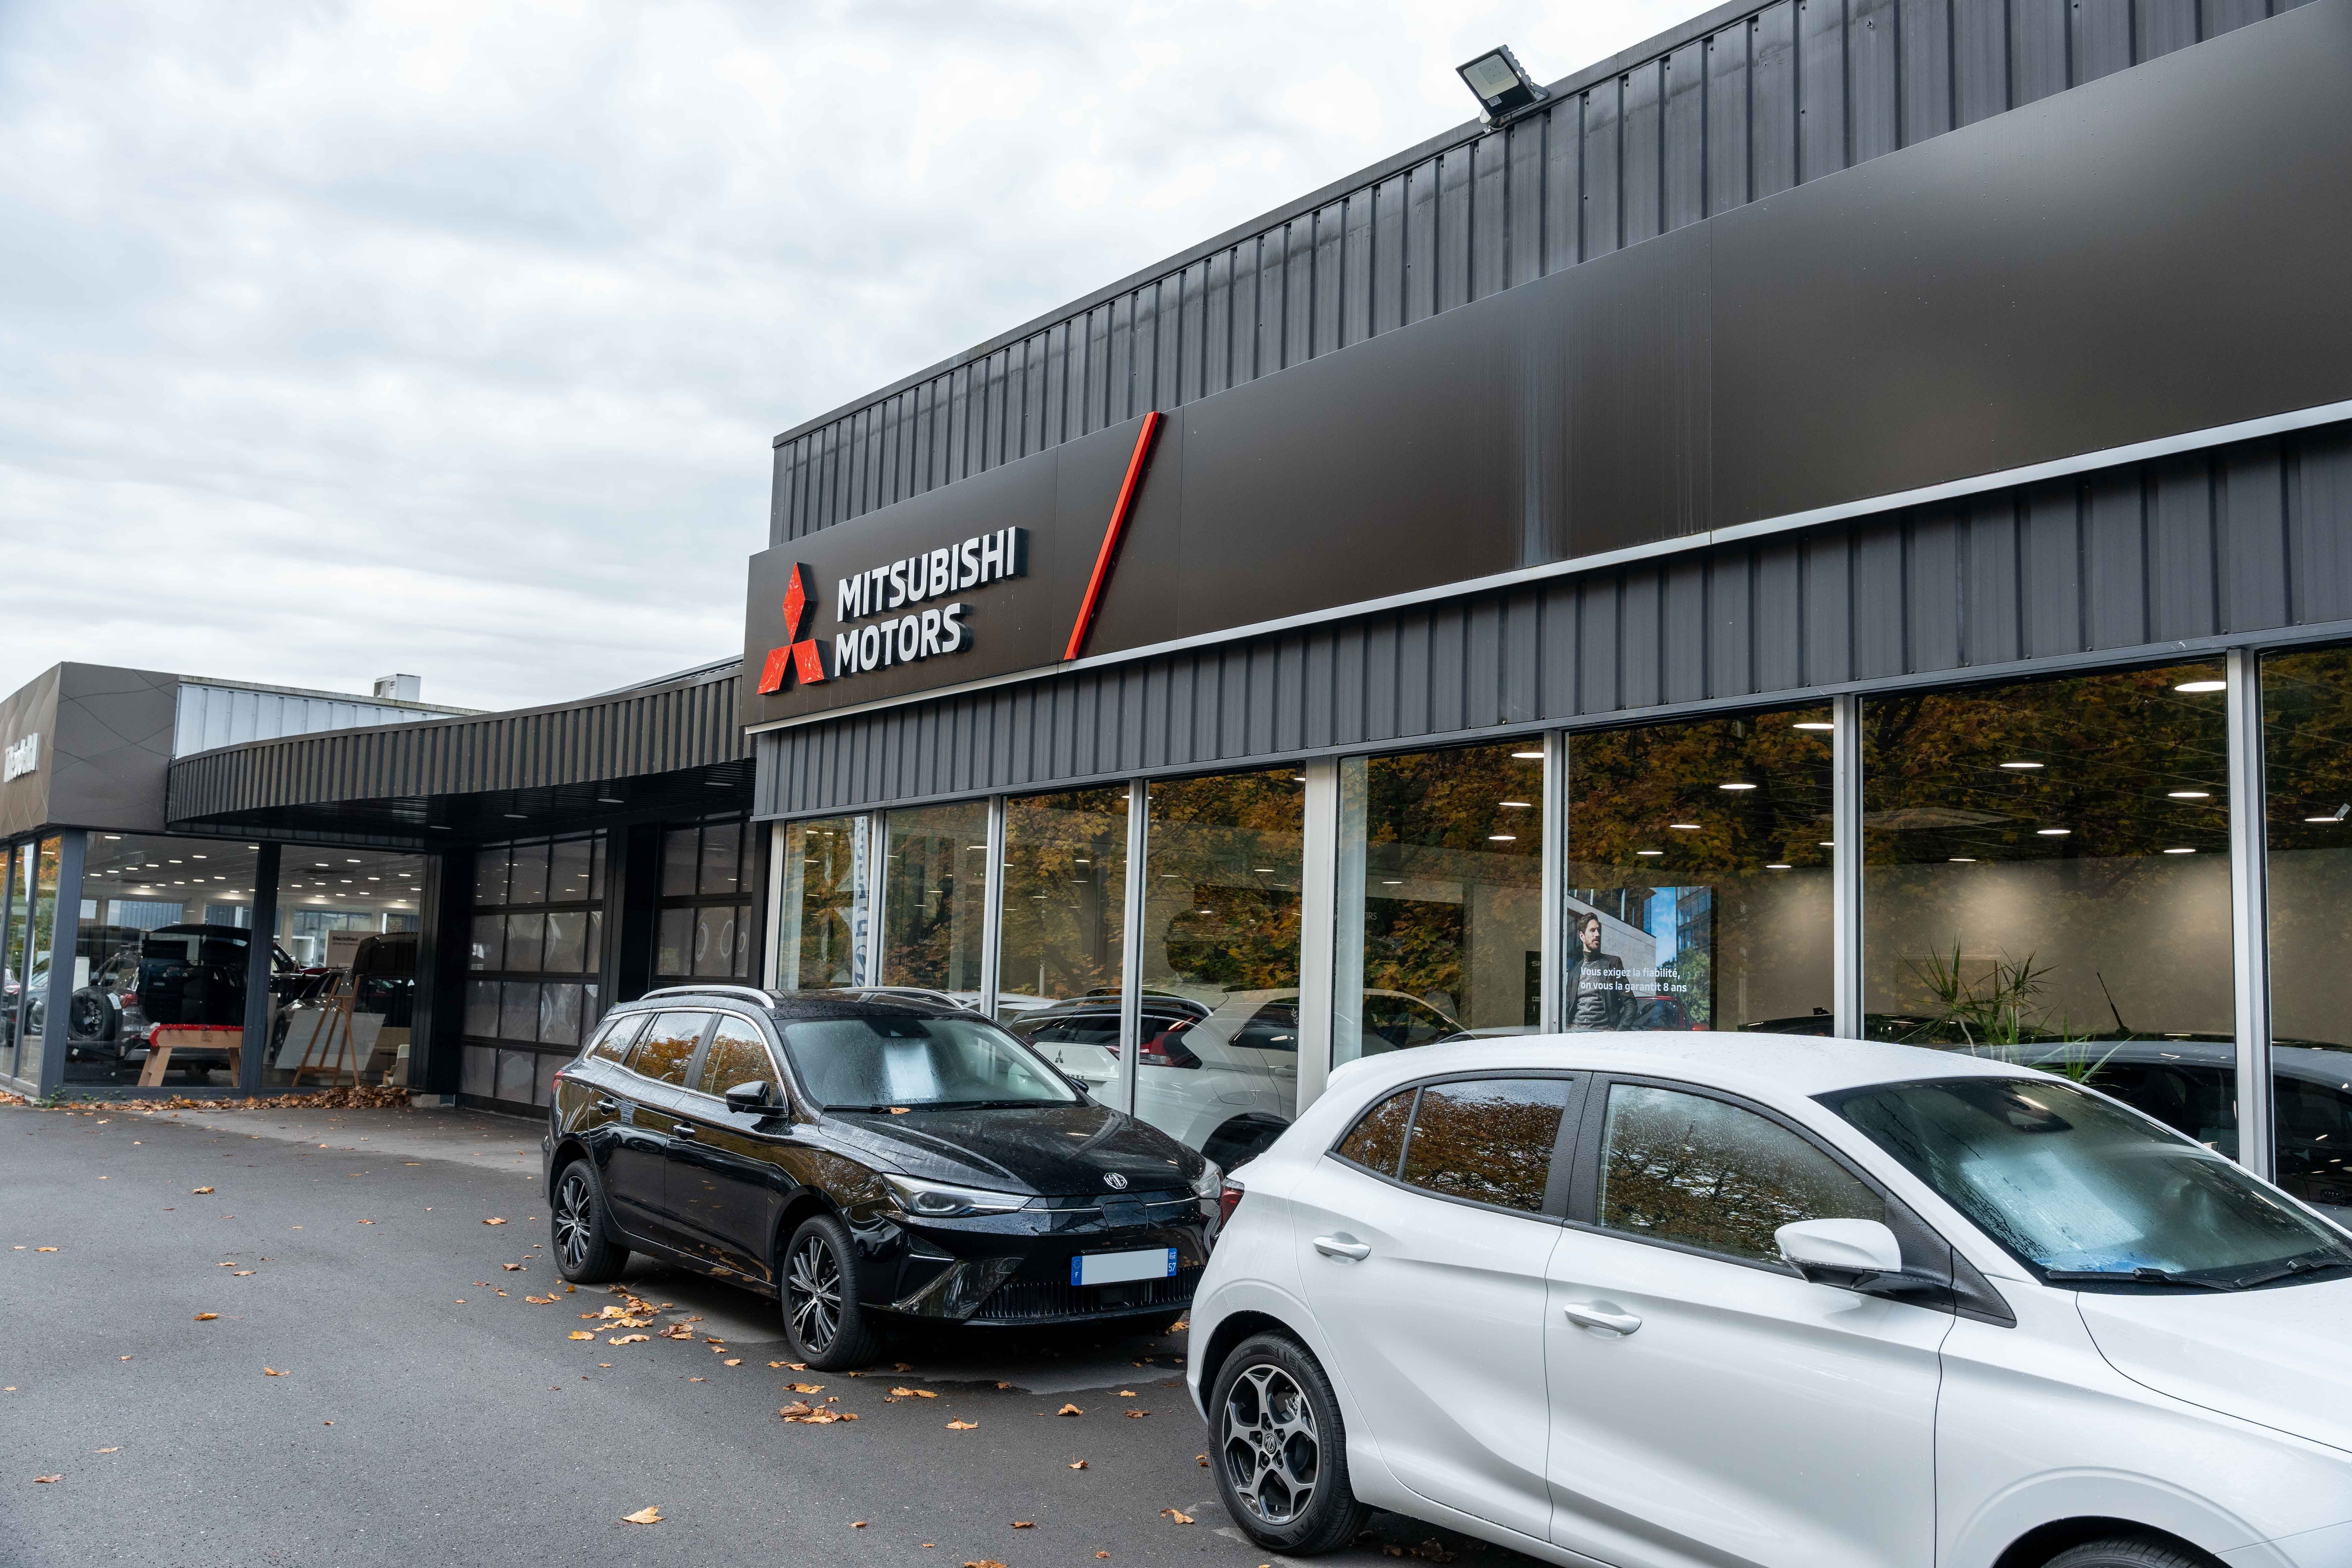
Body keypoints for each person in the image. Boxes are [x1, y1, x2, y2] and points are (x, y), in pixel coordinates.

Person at [1564, 911, 1631, 1031]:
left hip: (1603, 1033)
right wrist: (1566, 1029)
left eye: (1599, 930)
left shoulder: (1612, 964)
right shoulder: (1574, 972)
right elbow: (1567, 1007)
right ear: (1582, 936)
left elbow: (1631, 1004)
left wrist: (1619, 1032)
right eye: (1592, 931)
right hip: (1576, 1033)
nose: (1598, 934)